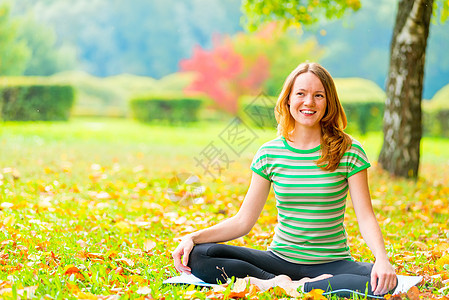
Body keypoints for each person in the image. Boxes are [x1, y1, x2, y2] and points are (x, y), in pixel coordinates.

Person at [172, 62, 397, 297]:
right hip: (278, 261)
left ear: (328, 102)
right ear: (288, 99)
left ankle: (299, 286)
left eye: (318, 95)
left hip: (332, 263)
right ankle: (276, 282)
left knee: (385, 282)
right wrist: (192, 237)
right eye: (301, 94)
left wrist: (382, 259)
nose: (309, 102)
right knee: (199, 255)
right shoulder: (270, 153)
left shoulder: (349, 150)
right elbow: (243, 221)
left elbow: (366, 217)